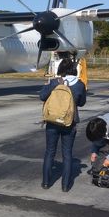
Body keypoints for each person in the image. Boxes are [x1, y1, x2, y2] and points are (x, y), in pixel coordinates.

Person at [39, 58, 86, 192]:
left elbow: (42, 96)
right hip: (69, 122)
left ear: (60, 70)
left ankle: (46, 182)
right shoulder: (79, 84)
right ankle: (65, 185)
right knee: (67, 154)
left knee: (49, 152)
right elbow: (82, 103)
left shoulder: (54, 82)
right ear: (74, 69)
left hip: (52, 121)